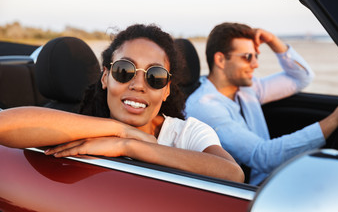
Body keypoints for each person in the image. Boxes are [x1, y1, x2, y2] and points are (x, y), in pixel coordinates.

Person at [0, 24, 244, 183]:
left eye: (155, 76)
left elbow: (233, 174)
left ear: (166, 89)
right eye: (125, 70)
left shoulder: (187, 133)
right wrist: (121, 130)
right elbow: (4, 126)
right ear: (105, 77)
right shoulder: (82, 129)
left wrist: (130, 146)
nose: (138, 85)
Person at [185, 22, 338, 185]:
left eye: (256, 56)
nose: (255, 64)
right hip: (253, 190)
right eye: (247, 57)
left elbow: (302, 77)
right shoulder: (205, 107)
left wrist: (273, 41)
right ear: (221, 60)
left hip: (275, 175)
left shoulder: (246, 89)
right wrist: (337, 118)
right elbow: (263, 156)